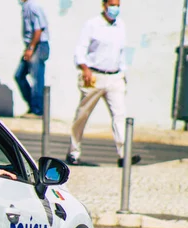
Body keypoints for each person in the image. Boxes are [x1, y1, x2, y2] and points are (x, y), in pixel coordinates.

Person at [66, 0, 140, 167]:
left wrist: (123, 74)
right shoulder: (92, 25)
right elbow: (80, 49)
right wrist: (84, 68)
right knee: (82, 115)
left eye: (118, 5)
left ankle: (124, 154)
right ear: (104, 5)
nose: (115, 8)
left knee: (119, 115)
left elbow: (121, 52)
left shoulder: (121, 25)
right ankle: (73, 152)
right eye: (112, 4)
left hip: (114, 77)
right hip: (95, 76)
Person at [15, 0, 50, 119]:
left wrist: (31, 48)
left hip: (38, 45)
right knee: (19, 75)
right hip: (32, 45)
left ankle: (37, 110)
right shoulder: (25, 6)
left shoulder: (33, 6)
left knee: (36, 78)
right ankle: (33, 106)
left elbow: (39, 29)